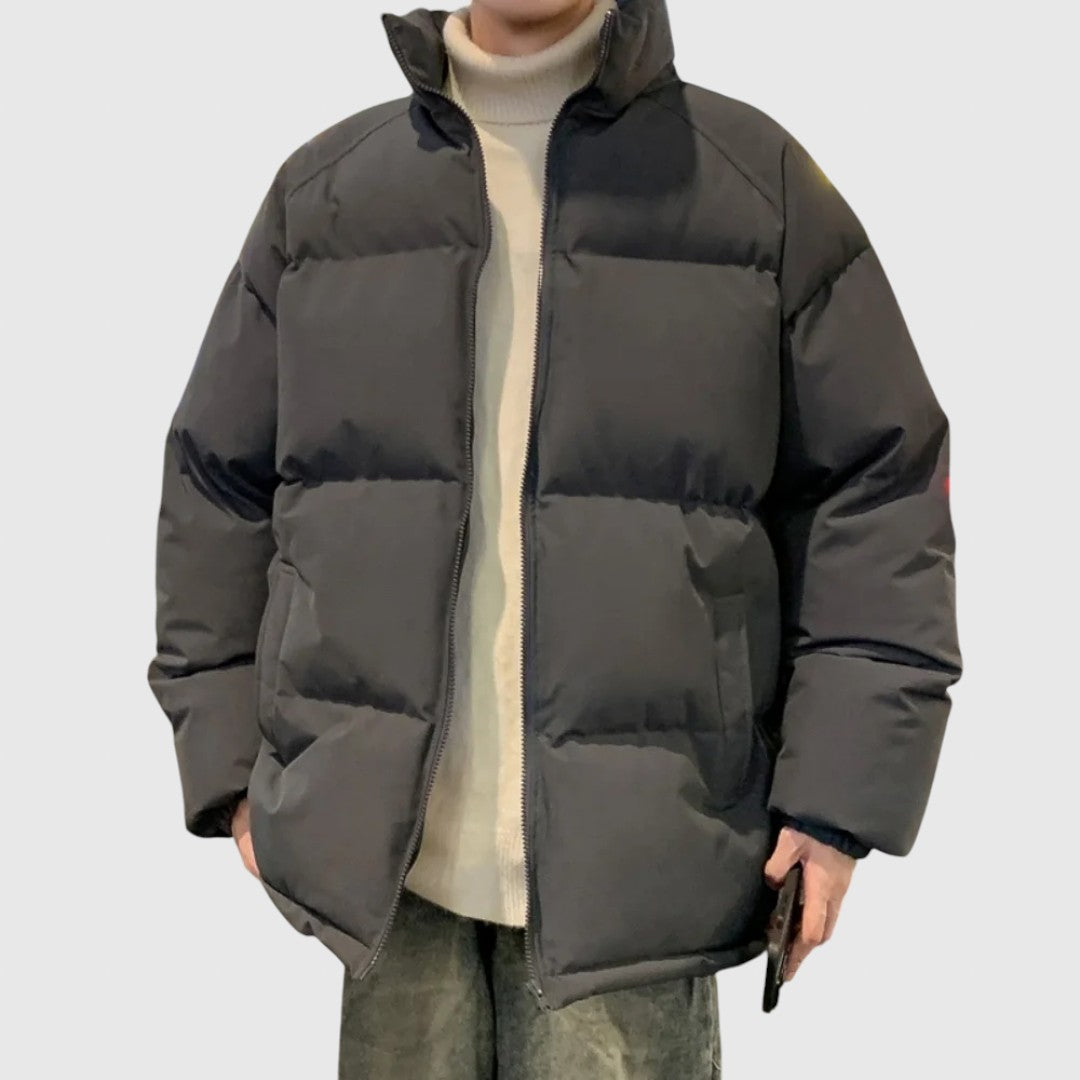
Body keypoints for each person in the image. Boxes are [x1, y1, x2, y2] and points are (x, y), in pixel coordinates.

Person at [146, 1, 962, 1076]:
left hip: (647, 866)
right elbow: (217, 481)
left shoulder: (752, 186)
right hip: (388, 872)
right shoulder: (326, 197)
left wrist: (839, 795)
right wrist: (227, 761)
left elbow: (878, 484)